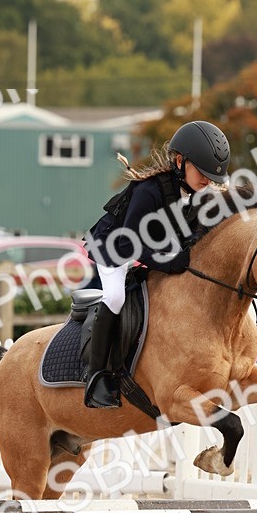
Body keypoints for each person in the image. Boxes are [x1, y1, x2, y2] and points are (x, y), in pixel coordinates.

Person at [82, 120, 231, 408]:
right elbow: (129, 244)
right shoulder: (148, 191)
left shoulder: (197, 193)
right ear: (180, 161)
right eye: (202, 171)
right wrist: (168, 260)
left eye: (212, 176)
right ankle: (97, 375)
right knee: (115, 296)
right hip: (115, 247)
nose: (207, 181)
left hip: (154, 248)